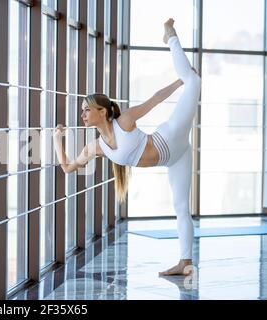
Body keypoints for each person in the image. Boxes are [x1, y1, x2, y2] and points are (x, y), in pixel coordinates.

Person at [53, 18, 201, 276]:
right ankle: (184, 262)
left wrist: (179, 83)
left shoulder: (125, 120)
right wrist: (57, 141)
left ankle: (170, 34)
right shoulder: (96, 148)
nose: (83, 115)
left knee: (193, 81)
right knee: (180, 207)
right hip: (175, 159)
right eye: (82, 111)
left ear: (102, 112)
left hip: (171, 137)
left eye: (87, 110)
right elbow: (67, 168)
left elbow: (155, 99)